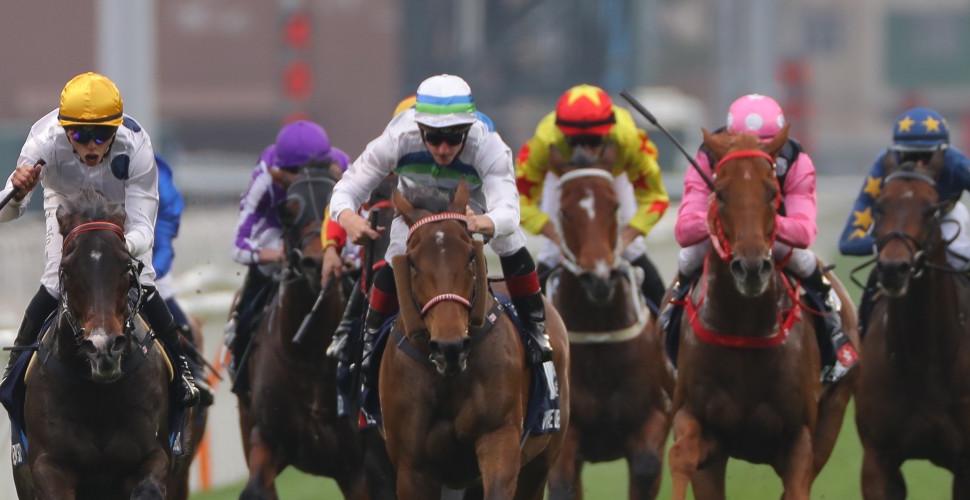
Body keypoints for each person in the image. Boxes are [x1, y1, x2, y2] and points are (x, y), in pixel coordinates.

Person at [0, 71, 203, 407]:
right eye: (79, 134)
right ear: (64, 130)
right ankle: (14, 373)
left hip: (120, 210)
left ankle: (182, 374)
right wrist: (16, 194)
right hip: (66, 204)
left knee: (144, 278)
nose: (92, 146)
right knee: (53, 280)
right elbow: (2, 215)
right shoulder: (43, 142)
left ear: (116, 129)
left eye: (102, 135)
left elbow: (143, 231)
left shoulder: (136, 145)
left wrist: (117, 249)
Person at [327, 73, 553, 365]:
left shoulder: (488, 145)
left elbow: (509, 212)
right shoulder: (397, 139)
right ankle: (370, 342)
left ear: (468, 130)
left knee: (509, 241)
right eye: (433, 138)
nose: (443, 149)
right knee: (395, 253)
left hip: (470, 204)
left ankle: (536, 330)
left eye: (453, 137)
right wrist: (348, 218)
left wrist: (483, 223)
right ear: (419, 129)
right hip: (416, 206)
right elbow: (347, 189)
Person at [665, 93, 857, 384]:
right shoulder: (708, 155)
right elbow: (685, 229)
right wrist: (729, 220)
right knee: (688, 258)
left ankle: (832, 332)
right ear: (727, 139)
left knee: (805, 262)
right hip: (724, 233)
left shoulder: (796, 160)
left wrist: (758, 222)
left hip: (770, 236)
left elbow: (804, 231)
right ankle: (668, 334)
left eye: (766, 146)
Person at [839, 106, 970, 333]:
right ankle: (862, 335)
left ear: (942, 153)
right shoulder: (883, 164)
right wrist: (893, 244)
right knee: (881, 270)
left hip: (943, 216)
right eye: (908, 156)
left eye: (926, 157)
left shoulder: (958, 164)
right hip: (897, 221)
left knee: (960, 253)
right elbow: (847, 242)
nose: (918, 165)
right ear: (897, 152)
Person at [514, 84, 669, 310]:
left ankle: (665, 324)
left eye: (594, 141)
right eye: (575, 142)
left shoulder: (628, 138)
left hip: (613, 175)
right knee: (551, 252)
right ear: (561, 136)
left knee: (632, 250)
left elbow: (656, 197)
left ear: (609, 133)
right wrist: (556, 235)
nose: (586, 151)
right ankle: (530, 327)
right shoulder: (545, 142)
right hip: (562, 178)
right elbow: (518, 200)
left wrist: (625, 236)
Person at [226, 119, 349, 380]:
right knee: (264, 270)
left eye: (312, 169)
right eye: (295, 171)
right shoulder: (265, 177)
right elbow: (238, 245)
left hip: (325, 228)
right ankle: (240, 351)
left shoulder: (345, 168)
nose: (304, 177)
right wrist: (280, 255)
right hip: (279, 230)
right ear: (281, 169)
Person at [152, 152, 215, 406]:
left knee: (165, 301)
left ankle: (193, 371)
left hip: (148, 266)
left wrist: (150, 270)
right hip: (97, 264)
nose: (93, 144)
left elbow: (164, 235)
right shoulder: (75, 165)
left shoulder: (151, 169)